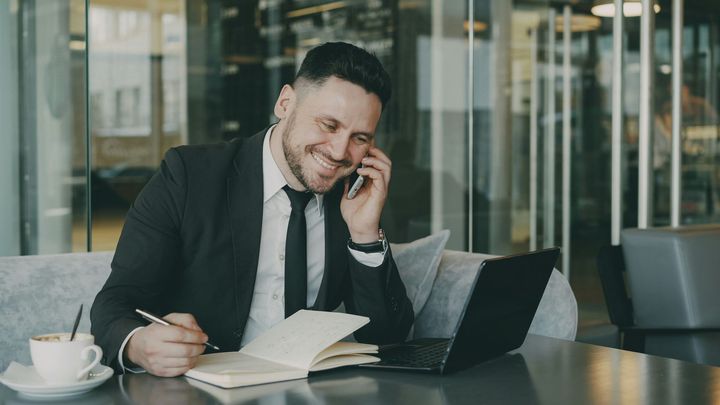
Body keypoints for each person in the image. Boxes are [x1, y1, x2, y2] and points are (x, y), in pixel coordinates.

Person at [90, 42, 414, 377]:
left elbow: (387, 338)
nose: (339, 151)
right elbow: (113, 306)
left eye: (359, 138)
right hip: (202, 391)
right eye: (328, 125)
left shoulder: (352, 198)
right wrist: (139, 345)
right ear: (285, 103)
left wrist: (364, 235)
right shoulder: (188, 176)